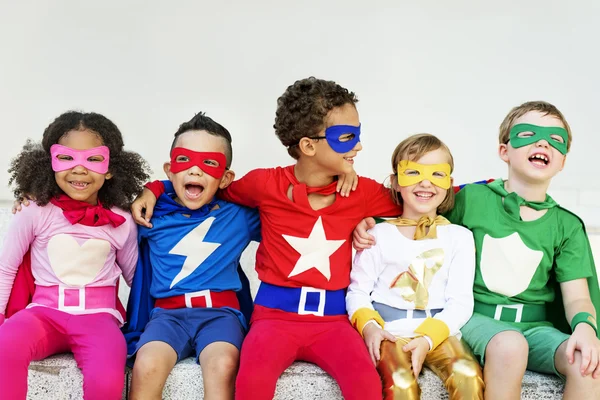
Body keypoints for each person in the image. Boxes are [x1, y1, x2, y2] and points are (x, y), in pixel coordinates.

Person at [132, 77, 403, 400]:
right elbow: (209, 184)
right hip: (273, 319)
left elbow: (418, 198)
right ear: (308, 145)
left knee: (366, 386)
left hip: (334, 321)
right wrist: (156, 187)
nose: (358, 146)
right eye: (347, 137)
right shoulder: (263, 185)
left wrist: (369, 219)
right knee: (251, 384)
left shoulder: (361, 191)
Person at [353, 101, 600, 400]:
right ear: (504, 151)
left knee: (588, 363)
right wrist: (370, 222)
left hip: (537, 328)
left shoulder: (567, 225)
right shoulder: (473, 198)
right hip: (477, 319)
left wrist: (585, 328)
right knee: (510, 345)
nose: (542, 142)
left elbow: (577, 296)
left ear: (563, 160)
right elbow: (422, 205)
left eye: (555, 140)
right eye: (528, 134)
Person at [0, 111, 149, 399]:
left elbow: (136, 278)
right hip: (43, 315)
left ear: (111, 169)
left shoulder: (121, 221)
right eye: (67, 158)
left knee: (106, 380)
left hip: (99, 319)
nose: (79, 170)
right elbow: (7, 267)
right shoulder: (34, 212)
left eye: (93, 159)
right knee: (5, 344)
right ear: (49, 164)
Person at [125, 112, 260, 400]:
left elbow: (289, 218)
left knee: (223, 364)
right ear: (169, 170)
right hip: (166, 316)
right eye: (184, 161)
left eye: (209, 163)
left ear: (225, 178)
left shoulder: (238, 217)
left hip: (220, 315)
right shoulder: (152, 213)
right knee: (146, 364)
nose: (195, 172)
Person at [347, 133, 484, 399]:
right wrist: (370, 327)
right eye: (413, 173)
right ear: (396, 183)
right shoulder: (378, 234)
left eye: (437, 174)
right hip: (388, 332)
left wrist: (428, 338)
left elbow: (461, 302)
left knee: (468, 375)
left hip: (441, 331)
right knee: (400, 383)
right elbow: (358, 292)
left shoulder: (459, 237)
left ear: (449, 183)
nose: (425, 183)